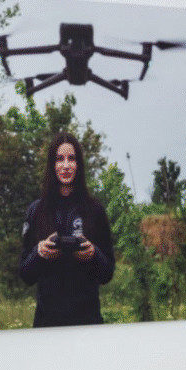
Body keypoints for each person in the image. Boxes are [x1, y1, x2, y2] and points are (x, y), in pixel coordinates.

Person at [20, 132, 115, 327]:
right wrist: (39, 253)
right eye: (59, 159)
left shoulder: (95, 210)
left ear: (78, 164)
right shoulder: (36, 211)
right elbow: (25, 275)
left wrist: (93, 254)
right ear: (51, 165)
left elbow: (108, 273)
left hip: (88, 322)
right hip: (47, 324)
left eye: (71, 159)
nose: (65, 165)